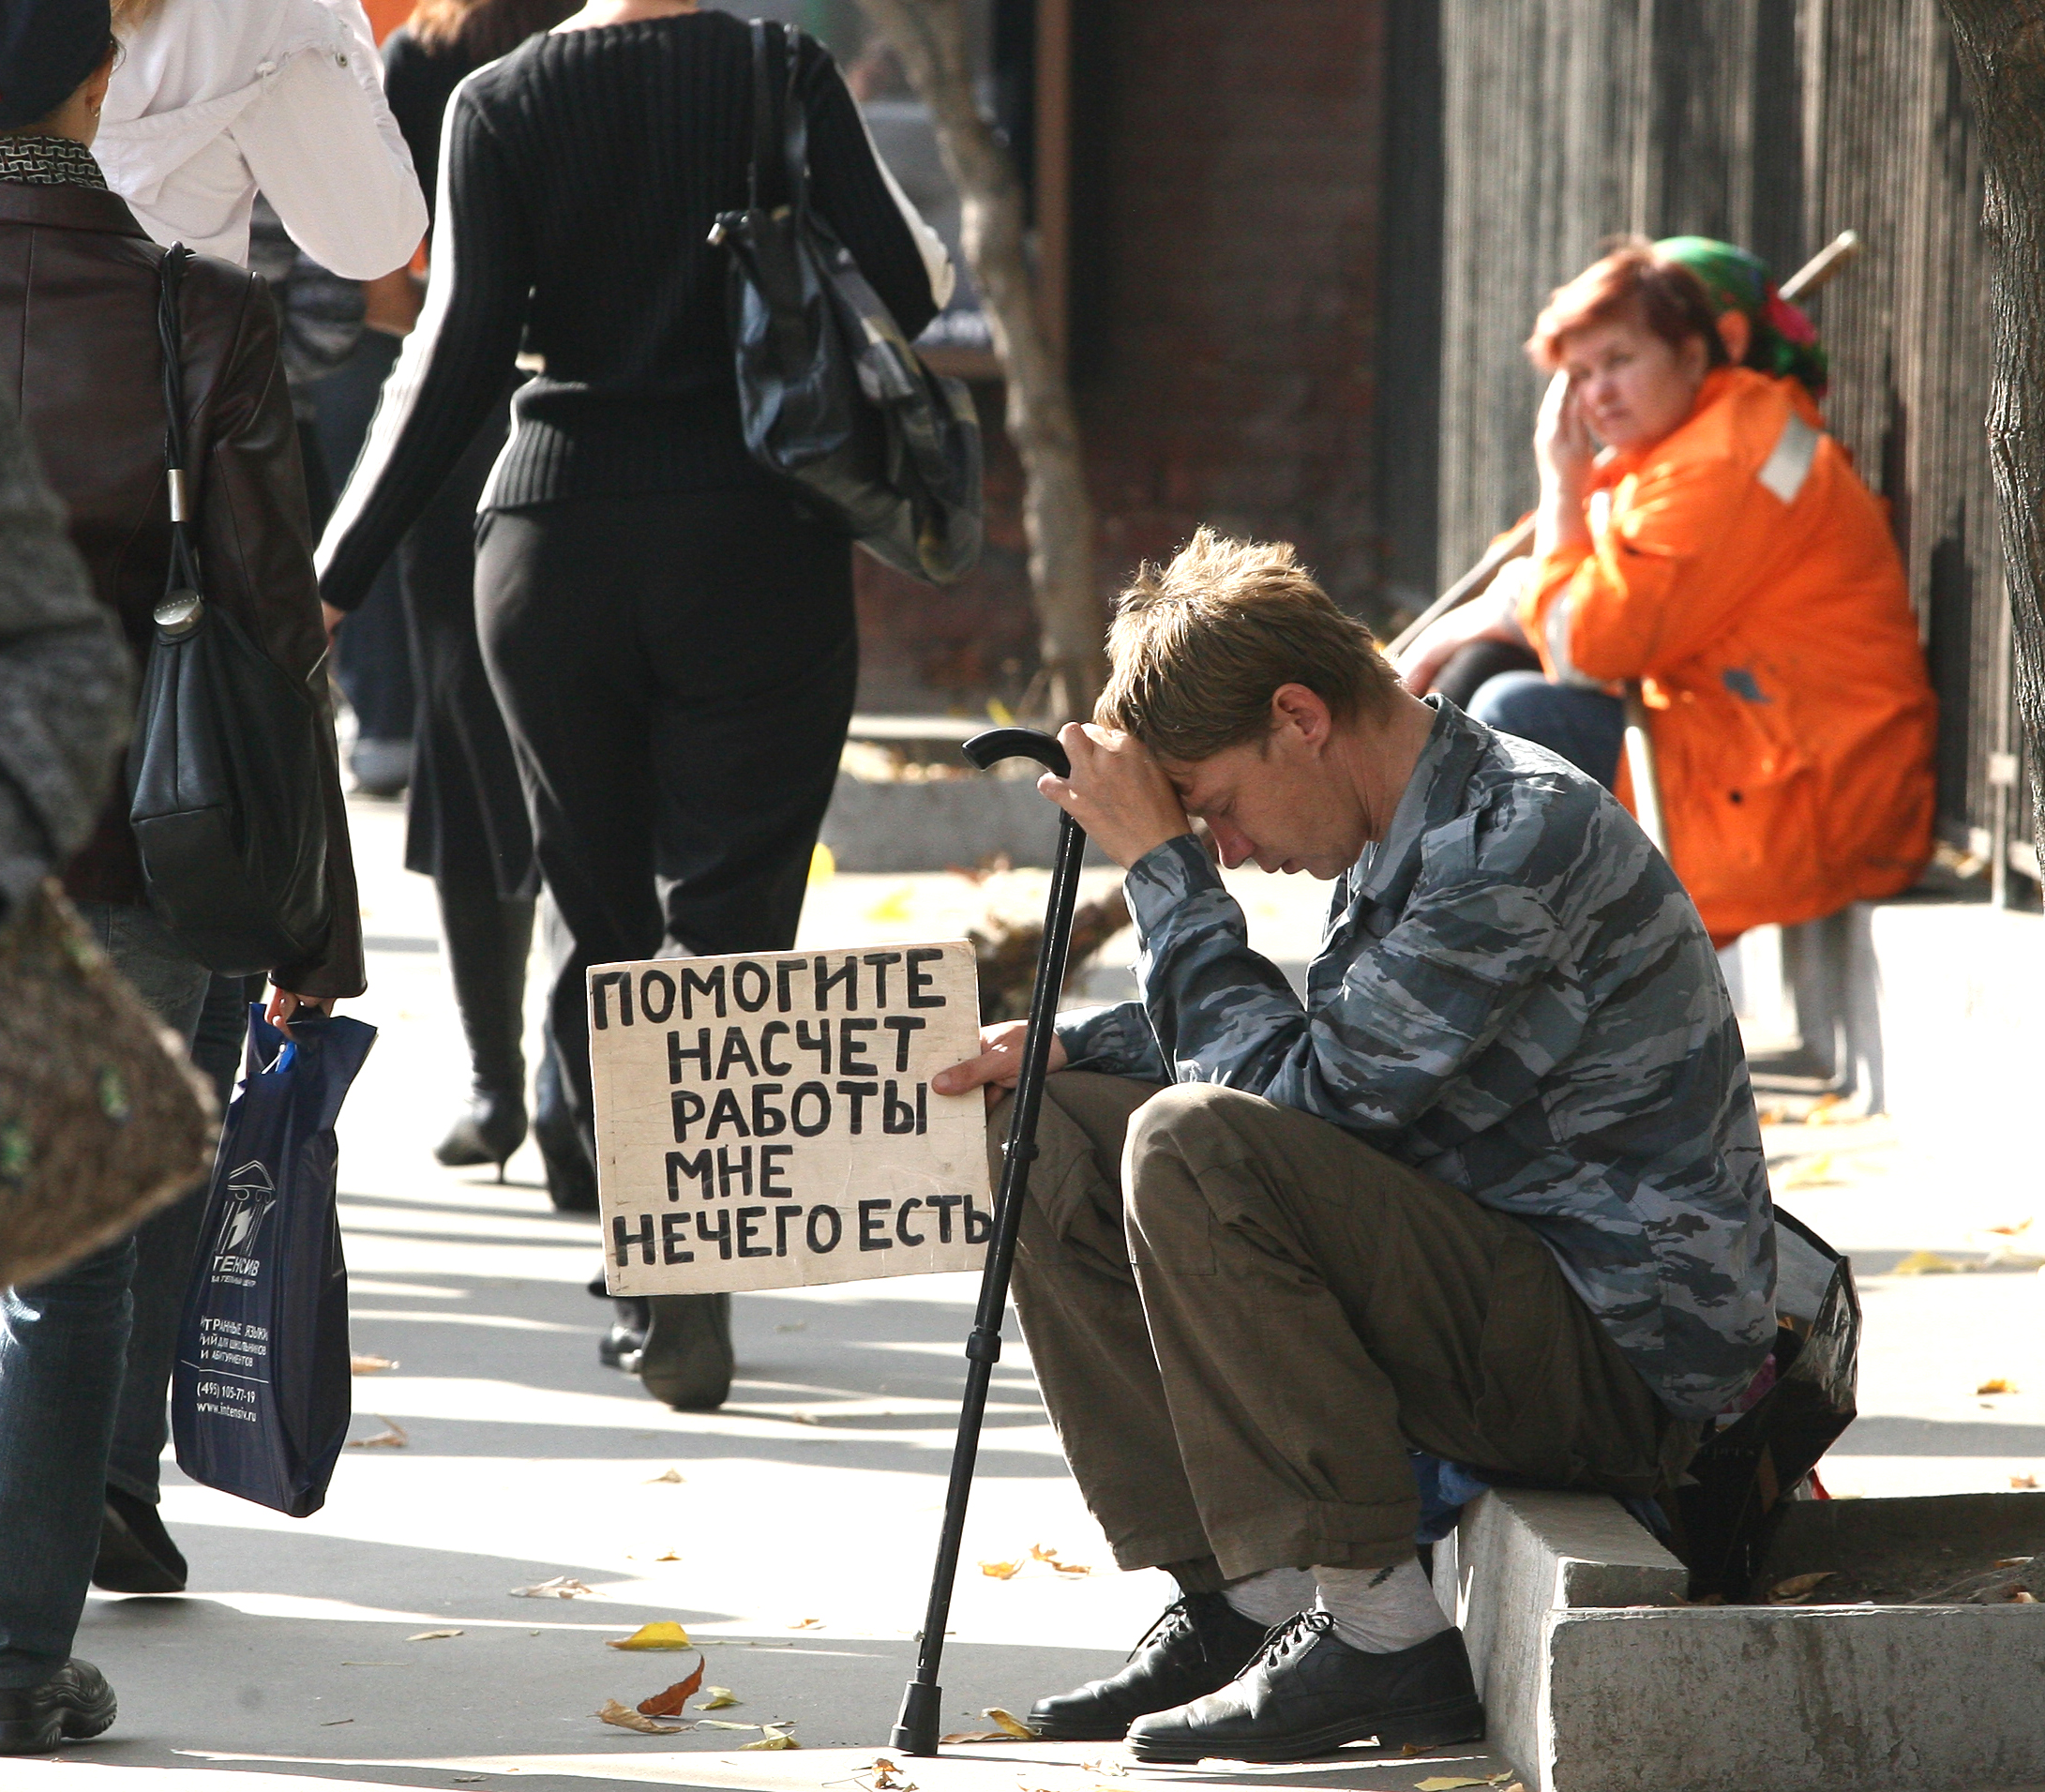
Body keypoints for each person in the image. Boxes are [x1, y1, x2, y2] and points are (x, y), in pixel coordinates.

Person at [933, 529, 1774, 1762]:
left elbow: (1290, 1108)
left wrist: (1166, 879)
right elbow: (1339, 1050)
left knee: (1189, 1145)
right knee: (1050, 1133)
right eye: (1197, 828)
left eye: (1214, 804)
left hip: (1620, 1354)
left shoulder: (1509, 839)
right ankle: (1246, 1603)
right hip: (1502, 1290)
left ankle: (1383, 1635)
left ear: (1299, 715)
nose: (1221, 843)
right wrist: (1077, 1044)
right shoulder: (1400, 820)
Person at [316, 0, 952, 1408]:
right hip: (757, 539)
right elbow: (904, 285)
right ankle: (690, 1286)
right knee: (727, 920)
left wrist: (337, 570)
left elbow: (458, 346)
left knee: (606, 916)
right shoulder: (778, 66)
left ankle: (639, 1258)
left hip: (550, 543)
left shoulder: (496, 99)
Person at [0, 8, 364, 1749]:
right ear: (99, 85)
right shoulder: (190, 313)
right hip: (109, 845)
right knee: (65, 1259)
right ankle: (11, 1657)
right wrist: (311, 917)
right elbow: (273, 635)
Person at [1396, 238, 1936, 944]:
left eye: (1619, 361)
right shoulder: (1678, 445)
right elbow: (1530, 573)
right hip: (1759, 755)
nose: (1598, 393)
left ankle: (1472, 971)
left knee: (1508, 717)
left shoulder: (1725, 456)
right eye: (1580, 373)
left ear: (1691, 353)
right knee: (1474, 687)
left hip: (1808, 799)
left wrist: (1561, 482)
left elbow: (1586, 645)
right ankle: (1436, 955)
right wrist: (1470, 622)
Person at [372, 0, 575, 1189]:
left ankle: (516, 1082)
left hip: (473, 428)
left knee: (479, 746)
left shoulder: (438, 56)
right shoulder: (465, 53)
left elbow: (384, 278)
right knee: (522, 750)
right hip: (557, 427)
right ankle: (531, 1083)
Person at [95, 0, 426, 279]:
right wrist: (334, 24)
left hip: (56, 336)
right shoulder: (263, 15)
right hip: (169, 340)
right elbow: (370, 241)